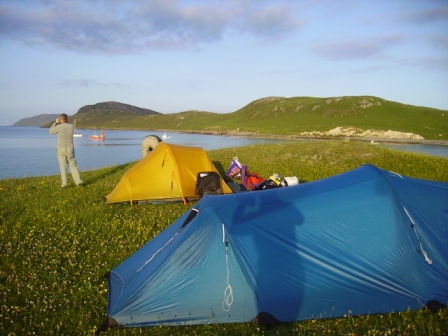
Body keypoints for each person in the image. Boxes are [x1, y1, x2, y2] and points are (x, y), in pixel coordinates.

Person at [49, 113, 83, 188]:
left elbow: (50, 132)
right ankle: (79, 182)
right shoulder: (71, 126)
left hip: (61, 148)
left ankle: (64, 184)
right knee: (73, 165)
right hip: (70, 148)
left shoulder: (59, 127)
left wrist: (55, 123)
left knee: (63, 166)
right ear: (67, 119)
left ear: (60, 119)